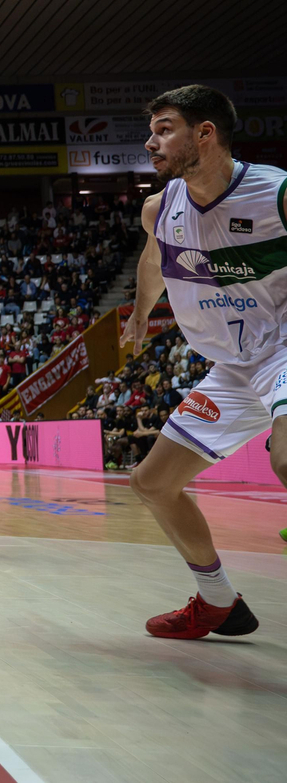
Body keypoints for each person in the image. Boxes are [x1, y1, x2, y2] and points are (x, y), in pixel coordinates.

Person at [122, 86, 285, 639]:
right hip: (233, 368)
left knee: (286, 460)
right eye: (151, 131)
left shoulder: (275, 194)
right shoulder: (159, 207)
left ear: (206, 133)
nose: (151, 142)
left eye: (164, 129)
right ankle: (219, 603)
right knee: (152, 482)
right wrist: (140, 314)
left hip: (283, 347)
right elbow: (153, 263)